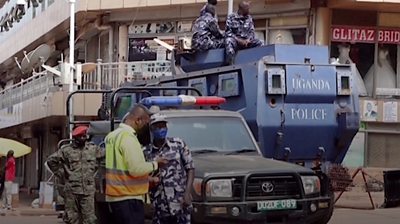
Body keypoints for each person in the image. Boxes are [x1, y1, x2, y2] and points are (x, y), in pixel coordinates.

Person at [105, 104, 168, 224]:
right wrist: (156, 164)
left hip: (115, 197)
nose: (146, 127)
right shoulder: (128, 138)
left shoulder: (112, 136)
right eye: (146, 123)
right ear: (138, 120)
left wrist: (147, 179)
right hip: (128, 198)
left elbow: (122, 168)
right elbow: (135, 169)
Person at [144, 114, 195, 224]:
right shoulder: (146, 152)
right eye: (157, 127)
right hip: (159, 205)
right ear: (151, 129)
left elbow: (190, 168)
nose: (161, 129)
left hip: (180, 202)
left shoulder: (178, 144)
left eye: (163, 126)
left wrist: (187, 193)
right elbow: (142, 175)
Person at [47, 126, 103, 224]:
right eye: (80, 137)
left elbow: (104, 157)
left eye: (84, 136)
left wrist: (95, 169)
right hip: (72, 191)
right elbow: (51, 160)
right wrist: (61, 173)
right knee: (71, 218)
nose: (83, 138)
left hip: (88, 190)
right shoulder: (67, 150)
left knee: (90, 219)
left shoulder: (93, 149)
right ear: (75, 138)